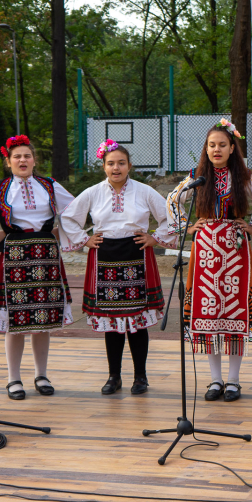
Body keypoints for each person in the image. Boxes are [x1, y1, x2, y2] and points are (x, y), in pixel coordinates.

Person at [60, 140, 176, 396]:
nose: (116, 168)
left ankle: (140, 377)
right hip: (105, 259)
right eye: (111, 163)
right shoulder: (93, 192)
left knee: (137, 322)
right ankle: (114, 376)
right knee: (111, 322)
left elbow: (170, 215)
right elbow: (68, 217)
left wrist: (154, 237)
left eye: (121, 163)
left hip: (137, 256)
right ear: (103, 166)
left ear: (129, 166)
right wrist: (85, 239)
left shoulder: (144, 191)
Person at [167, 119, 252, 402]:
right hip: (206, 250)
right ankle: (215, 380)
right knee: (208, 313)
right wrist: (186, 228)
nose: (216, 149)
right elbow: (172, 199)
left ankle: (233, 381)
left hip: (235, 248)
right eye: (212, 145)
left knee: (234, 312)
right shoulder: (197, 176)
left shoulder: (243, 177)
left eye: (222, 145)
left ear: (232, 147)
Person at [0, 135, 75, 401]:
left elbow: (76, 209)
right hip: (14, 254)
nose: (22, 160)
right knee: (14, 322)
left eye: (27, 155)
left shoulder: (49, 185)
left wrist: (60, 231)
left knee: (42, 320)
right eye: (17, 156)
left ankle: (41, 374)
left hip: (45, 254)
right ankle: (13, 379)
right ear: (8, 162)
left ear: (34, 160)